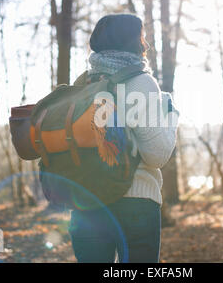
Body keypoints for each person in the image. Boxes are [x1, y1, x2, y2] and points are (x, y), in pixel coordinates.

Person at [68, 14, 179, 263]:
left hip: (86, 205)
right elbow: (157, 155)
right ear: (130, 41)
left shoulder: (81, 84)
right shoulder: (140, 83)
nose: (146, 45)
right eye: (142, 37)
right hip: (135, 205)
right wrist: (170, 115)